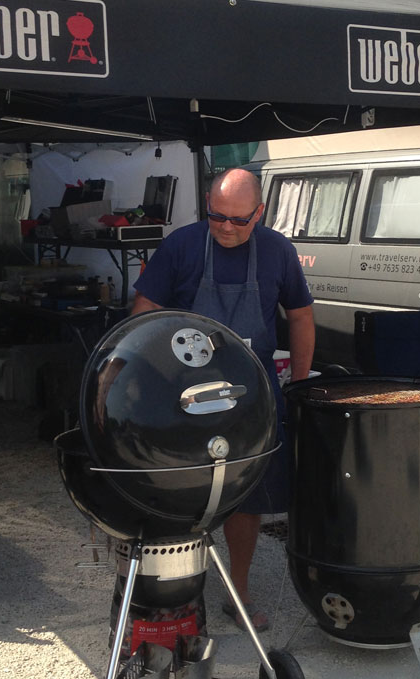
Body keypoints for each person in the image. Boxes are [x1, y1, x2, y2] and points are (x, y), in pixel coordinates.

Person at [131, 168, 315, 632]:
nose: (227, 227)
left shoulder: (278, 251)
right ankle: (174, 591)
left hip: (252, 394)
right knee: (177, 493)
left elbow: (301, 317)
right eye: (217, 217)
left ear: (260, 212)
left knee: (247, 496)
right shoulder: (180, 246)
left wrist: (296, 385)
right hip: (183, 394)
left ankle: (238, 589)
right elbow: (142, 317)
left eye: (239, 220)